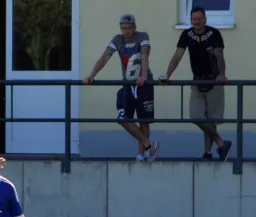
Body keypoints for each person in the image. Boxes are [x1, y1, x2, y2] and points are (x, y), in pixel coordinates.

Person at [83, 14, 159, 162]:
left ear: (134, 27)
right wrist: (91, 75)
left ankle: (141, 153)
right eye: (123, 28)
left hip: (144, 84)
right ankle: (149, 144)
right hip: (127, 84)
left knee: (144, 121)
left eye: (129, 28)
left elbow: (144, 55)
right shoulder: (118, 39)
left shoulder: (142, 36)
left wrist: (143, 76)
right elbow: (105, 57)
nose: (126, 31)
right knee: (123, 118)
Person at [160, 6, 232, 162]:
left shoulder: (214, 33)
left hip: (214, 80)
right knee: (196, 116)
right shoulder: (186, 34)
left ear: (205, 19)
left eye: (199, 19)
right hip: (197, 80)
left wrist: (222, 75)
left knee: (212, 121)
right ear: (190, 20)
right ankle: (221, 143)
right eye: (194, 19)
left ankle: (207, 152)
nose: (197, 22)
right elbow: (178, 55)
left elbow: (219, 55)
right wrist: (167, 74)